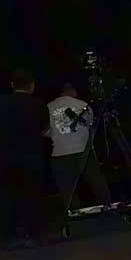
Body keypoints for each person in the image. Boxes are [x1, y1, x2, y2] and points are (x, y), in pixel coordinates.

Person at [0, 68, 50, 246]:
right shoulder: (38, 105)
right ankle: (32, 234)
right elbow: (45, 130)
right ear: (32, 86)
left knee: (7, 197)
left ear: (12, 85)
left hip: (5, 157)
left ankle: (7, 235)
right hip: (31, 157)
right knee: (32, 196)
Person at [47, 82, 112, 215]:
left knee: (67, 188)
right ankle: (108, 207)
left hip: (60, 153)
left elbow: (46, 131)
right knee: (96, 181)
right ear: (73, 92)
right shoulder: (83, 105)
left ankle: (74, 213)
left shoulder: (48, 107)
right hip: (84, 151)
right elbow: (91, 126)